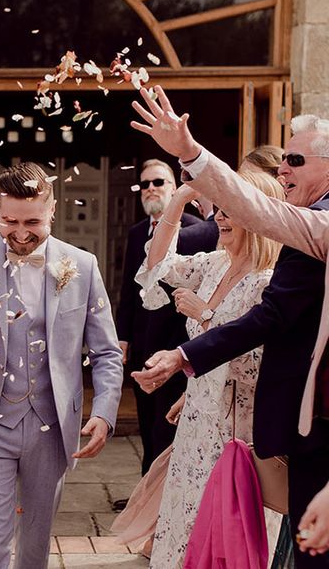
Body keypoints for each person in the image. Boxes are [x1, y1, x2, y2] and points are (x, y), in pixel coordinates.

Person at [130, 85, 329, 567]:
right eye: (282, 159)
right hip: (208, 410)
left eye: (295, 160)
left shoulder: (314, 225)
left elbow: (270, 318)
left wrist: (192, 154)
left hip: (251, 419)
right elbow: (155, 280)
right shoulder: (217, 261)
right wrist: (179, 198)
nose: (284, 168)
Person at [0, 162, 124, 569]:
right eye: (9, 221)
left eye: (32, 222)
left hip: (52, 428)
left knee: (35, 550)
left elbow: (107, 352)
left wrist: (106, 414)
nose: (20, 233)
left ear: (52, 210)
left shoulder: (82, 265)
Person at [136, 172, 284, 567]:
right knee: (182, 531)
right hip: (197, 425)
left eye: (231, 211)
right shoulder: (215, 264)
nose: (219, 218)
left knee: (227, 539)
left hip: (237, 433)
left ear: (257, 216)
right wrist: (180, 197)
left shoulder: (268, 283)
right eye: (218, 208)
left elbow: (257, 364)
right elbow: (158, 265)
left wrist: (205, 315)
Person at [117, 158, 202, 474]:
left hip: (178, 342)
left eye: (159, 182)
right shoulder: (137, 232)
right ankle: (144, 492)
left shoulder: (196, 230)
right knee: (146, 421)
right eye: (145, 184)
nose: (150, 189)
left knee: (167, 424)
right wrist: (123, 337)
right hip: (143, 340)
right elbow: (128, 288)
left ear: (175, 188)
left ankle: (161, 496)